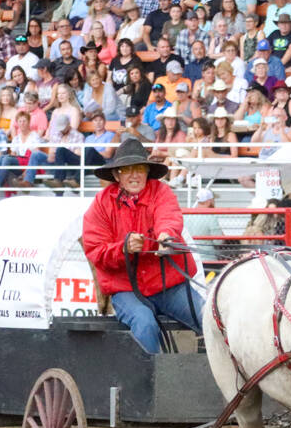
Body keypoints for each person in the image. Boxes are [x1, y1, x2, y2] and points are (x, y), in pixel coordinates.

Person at [81, 138, 203, 354]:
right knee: (144, 322)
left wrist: (166, 236)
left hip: (168, 285)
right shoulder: (101, 204)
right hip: (125, 289)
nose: (134, 175)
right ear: (117, 175)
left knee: (208, 316)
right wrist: (123, 248)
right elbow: (95, 250)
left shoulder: (161, 192)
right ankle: (149, 382)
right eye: (127, 170)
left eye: (139, 168)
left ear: (147, 171)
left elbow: (168, 217)